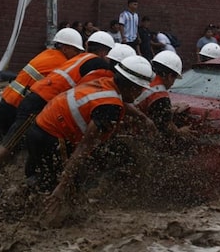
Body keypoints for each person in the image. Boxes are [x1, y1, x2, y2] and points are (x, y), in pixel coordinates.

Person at [25, 56, 154, 220]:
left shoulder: (106, 83)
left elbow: (121, 101)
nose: (141, 93)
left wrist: (143, 118)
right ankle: (45, 228)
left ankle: (6, 205)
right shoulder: (110, 107)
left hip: (39, 128)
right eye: (140, 89)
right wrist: (62, 187)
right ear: (132, 87)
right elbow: (84, 147)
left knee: (38, 181)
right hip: (53, 138)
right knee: (62, 190)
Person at [0, 31, 116, 166]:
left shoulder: (77, 59)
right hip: (35, 105)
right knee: (5, 151)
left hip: (16, 100)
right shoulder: (96, 64)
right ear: (104, 52)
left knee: (3, 144)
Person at [0, 28, 83, 145]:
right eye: (76, 50)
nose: (78, 55)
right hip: (20, 108)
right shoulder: (62, 63)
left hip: (6, 102)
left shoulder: (46, 54)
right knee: (10, 149)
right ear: (65, 48)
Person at [133, 51, 190, 137]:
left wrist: (170, 108)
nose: (173, 83)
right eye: (175, 79)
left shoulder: (145, 78)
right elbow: (166, 126)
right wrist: (181, 131)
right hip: (135, 132)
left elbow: (152, 107)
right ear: (170, 76)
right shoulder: (160, 94)